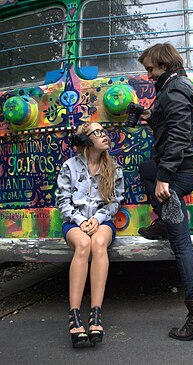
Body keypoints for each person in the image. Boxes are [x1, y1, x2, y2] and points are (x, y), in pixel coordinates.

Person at [137, 43, 193, 340]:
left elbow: (181, 135)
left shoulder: (174, 90)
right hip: (185, 167)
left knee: (182, 244)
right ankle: (166, 219)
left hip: (183, 171)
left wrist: (165, 178)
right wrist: (151, 119)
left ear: (163, 64)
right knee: (145, 170)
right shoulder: (175, 86)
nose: (148, 75)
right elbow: (172, 126)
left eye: (150, 69)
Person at [55, 122, 124, 347]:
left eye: (104, 132)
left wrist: (97, 218)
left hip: (102, 221)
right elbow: (63, 202)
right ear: (86, 140)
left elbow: (115, 202)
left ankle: (95, 314)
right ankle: (74, 316)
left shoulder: (113, 167)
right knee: (84, 244)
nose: (104, 135)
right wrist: (82, 220)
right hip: (75, 223)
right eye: (98, 132)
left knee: (99, 242)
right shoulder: (70, 167)